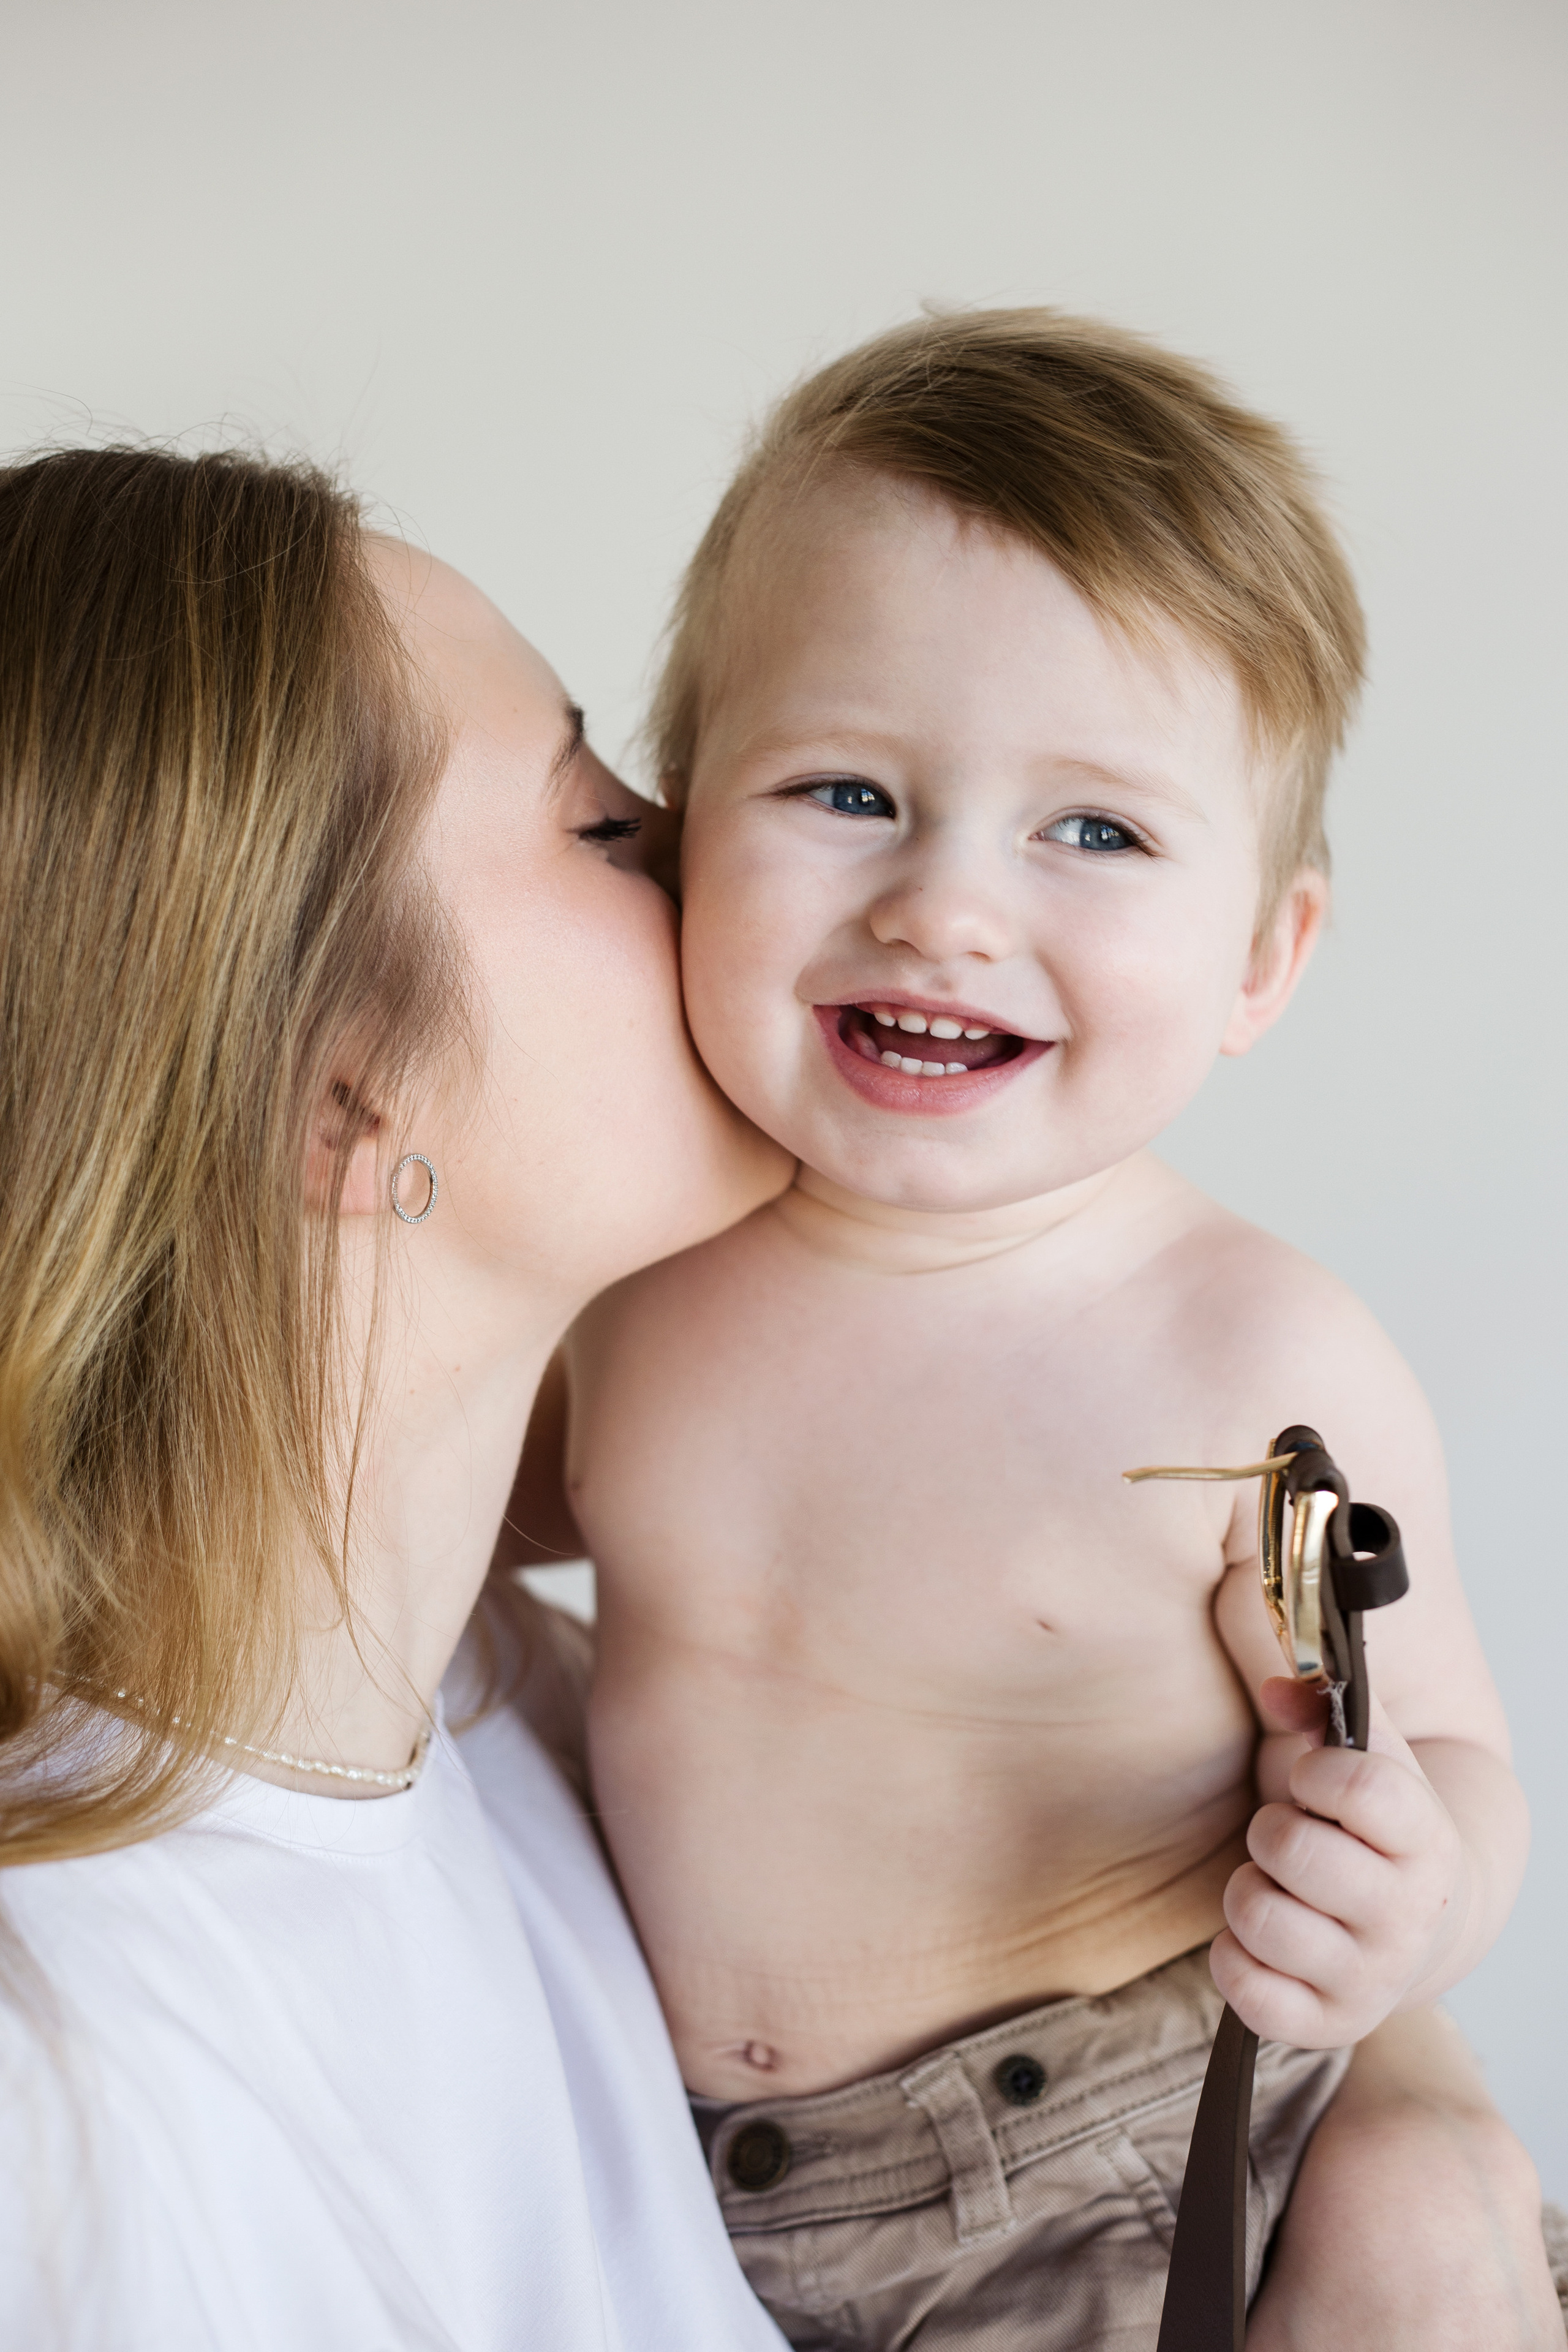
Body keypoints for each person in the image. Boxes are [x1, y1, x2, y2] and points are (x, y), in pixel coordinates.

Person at [514, 311, 1565, 2346]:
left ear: (1265, 955)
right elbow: (439, 1531)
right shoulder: (629, 1266)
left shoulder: (1247, 1355)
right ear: (678, 827)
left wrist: (1411, 1889)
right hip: (693, 2198)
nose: (947, 908)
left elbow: (1448, 1747)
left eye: (1093, 831)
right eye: (844, 789)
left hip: (1124, 2168)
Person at [0, 445, 793, 2349]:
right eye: (596, 821)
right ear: (339, 1104)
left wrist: (1407, 2131)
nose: (730, 847)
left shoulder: (520, 1699)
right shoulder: (75, 2109)